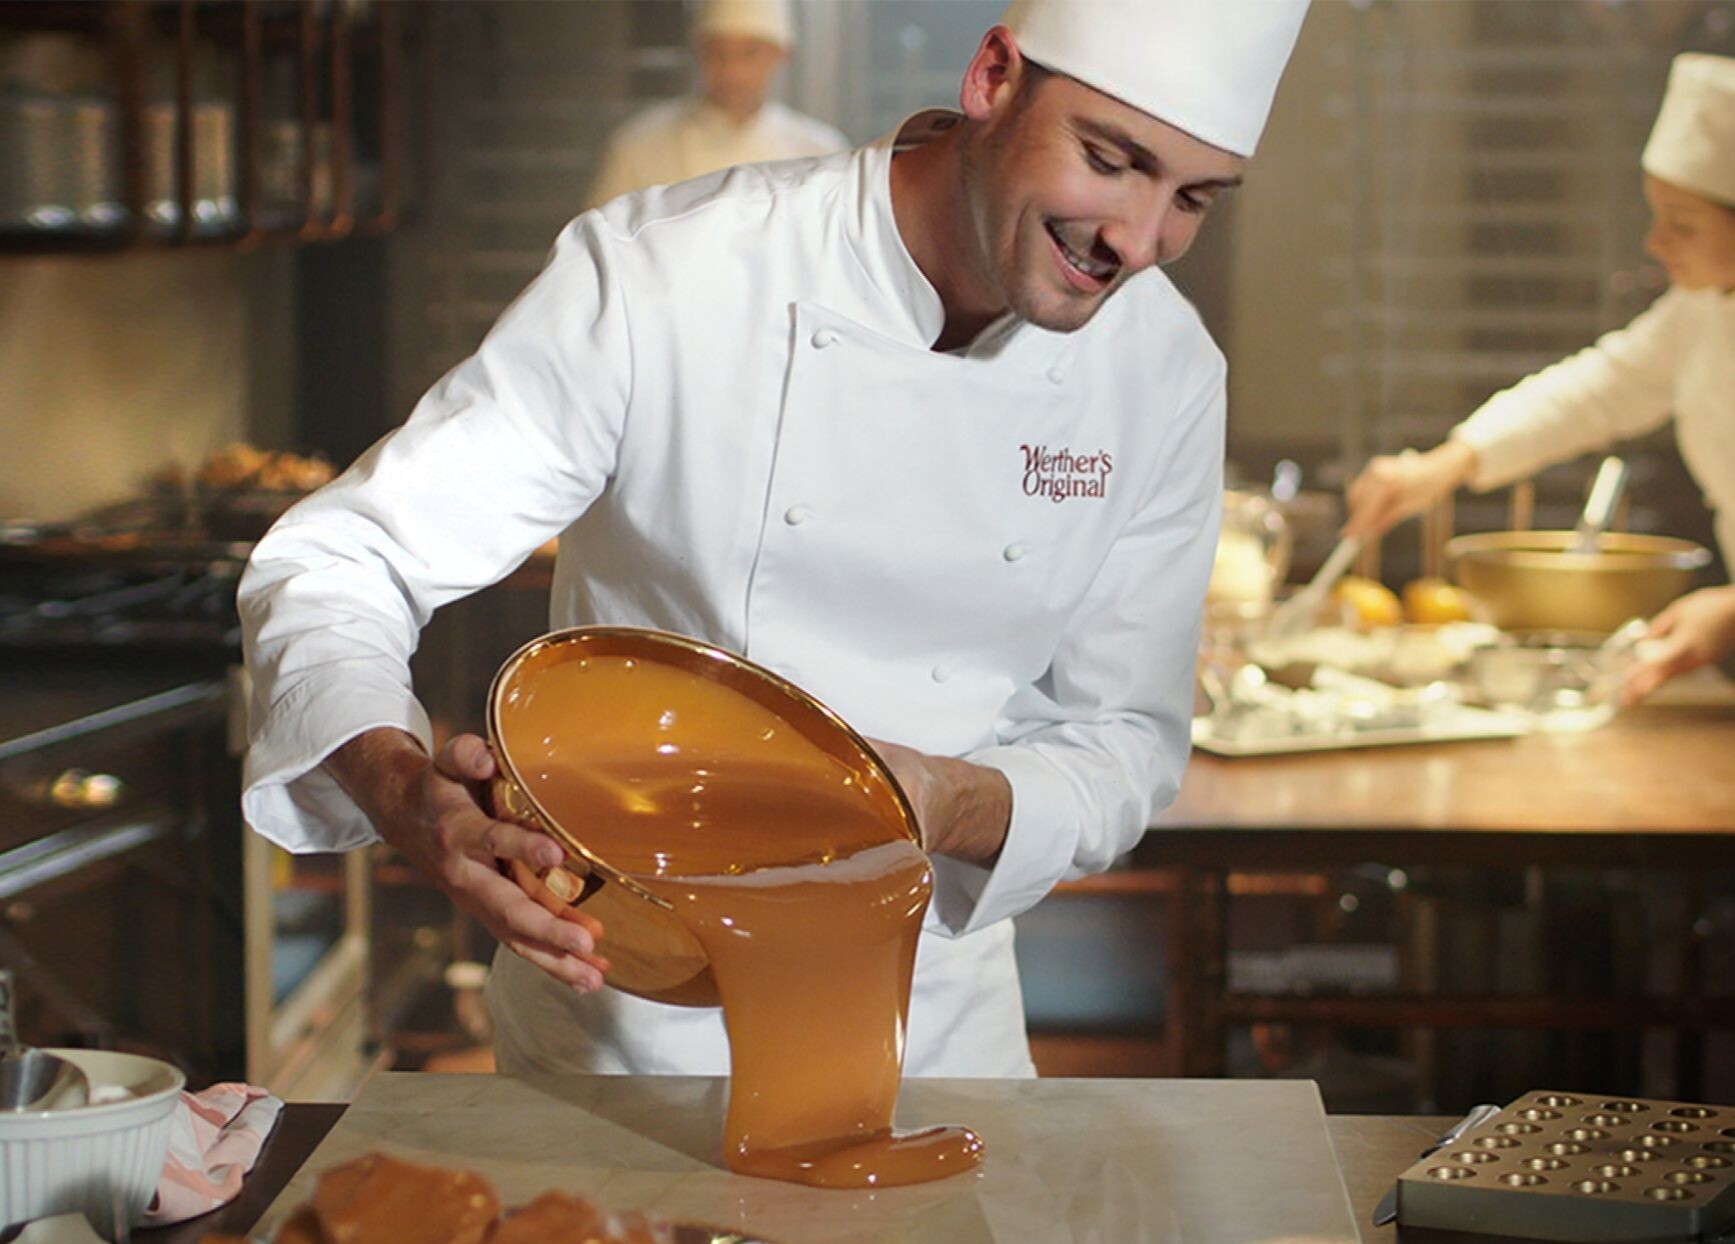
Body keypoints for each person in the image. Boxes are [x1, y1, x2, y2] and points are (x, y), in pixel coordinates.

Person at [239, 0, 1309, 1079]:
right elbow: (338, 563)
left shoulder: (1163, 372)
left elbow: (1121, 737)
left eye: (1192, 200)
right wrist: (405, 793)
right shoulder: (672, 274)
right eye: (1109, 160)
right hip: (621, 1022)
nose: (1136, 239)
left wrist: (941, 798)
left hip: (937, 1035)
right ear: (991, 75)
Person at [1344, 53, 1735, 703]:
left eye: (1682, 223)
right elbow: (1597, 388)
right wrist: (1443, 466)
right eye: (1654, 213)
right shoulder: (1702, 309)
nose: (1654, 241)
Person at [585, 0, 847, 208]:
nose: (732, 72)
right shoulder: (638, 146)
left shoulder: (821, 152)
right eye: (718, 53)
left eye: (750, 53)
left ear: (781, 55)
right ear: (698, 51)